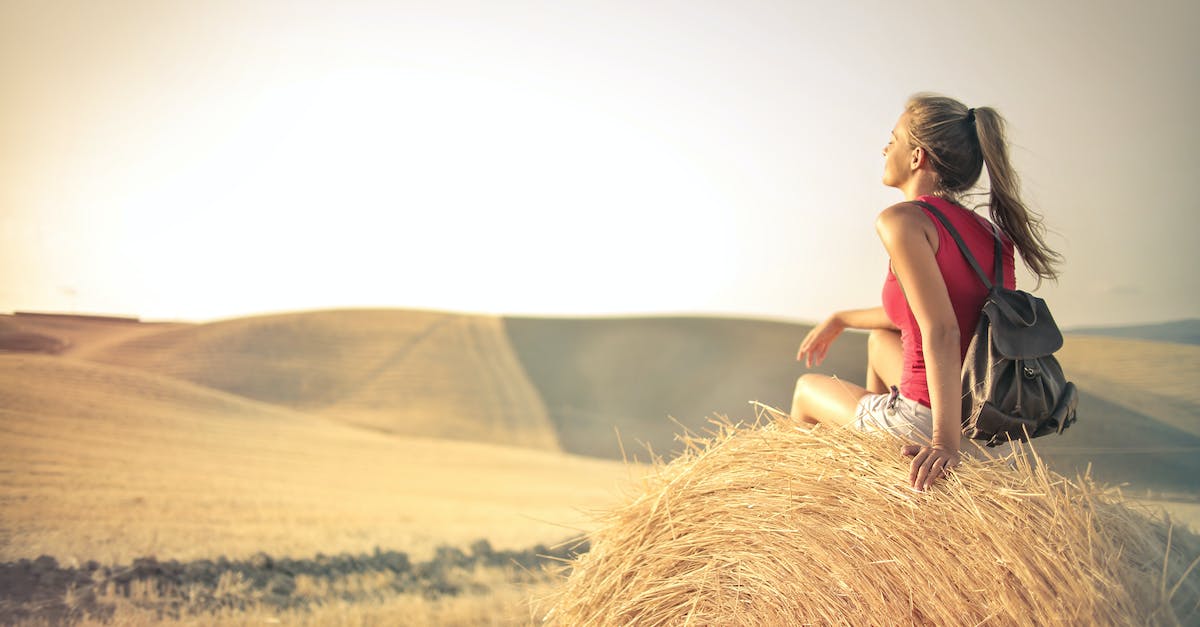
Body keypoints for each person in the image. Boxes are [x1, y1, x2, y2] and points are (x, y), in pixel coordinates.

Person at [789, 93, 1062, 492]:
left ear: (917, 156)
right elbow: (935, 312)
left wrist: (944, 443)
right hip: (985, 418)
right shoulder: (992, 234)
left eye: (893, 139)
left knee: (805, 390)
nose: (885, 148)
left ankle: (814, 499)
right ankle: (875, 472)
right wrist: (842, 318)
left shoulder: (902, 221)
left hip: (931, 420)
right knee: (880, 341)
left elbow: (942, 330)